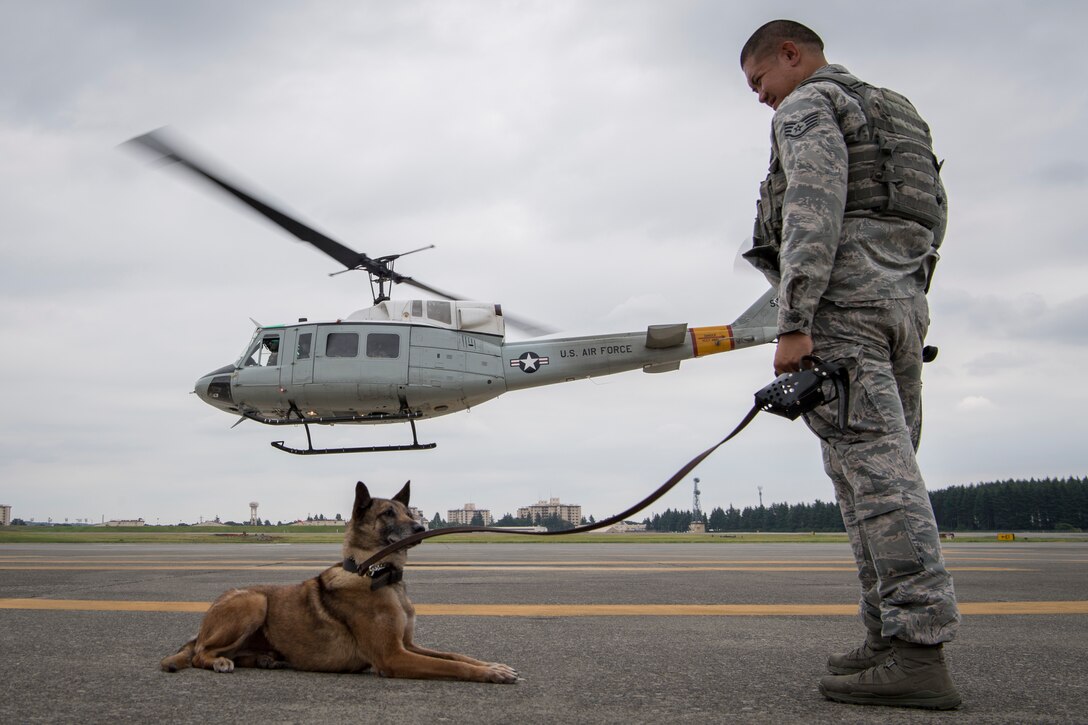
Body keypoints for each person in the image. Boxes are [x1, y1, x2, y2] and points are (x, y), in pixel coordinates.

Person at [738, 20, 961, 710]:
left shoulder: (810, 106)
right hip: (902, 304)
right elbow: (934, 214)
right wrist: (907, 293)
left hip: (846, 309)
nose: (761, 98)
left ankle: (917, 650)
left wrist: (795, 319)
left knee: (878, 480)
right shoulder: (898, 111)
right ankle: (886, 638)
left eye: (759, 81)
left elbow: (812, 209)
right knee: (873, 472)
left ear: (791, 55)